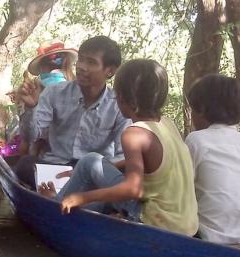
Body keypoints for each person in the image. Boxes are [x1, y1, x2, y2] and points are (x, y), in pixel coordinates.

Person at [41, 59, 198, 236]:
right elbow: (152, 164)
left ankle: (55, 205)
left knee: (89, 161)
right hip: (187, 225)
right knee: (96, 171)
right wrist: (105, 170)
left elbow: (133, 189)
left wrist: (81, 197)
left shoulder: (134, 133)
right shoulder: (167, 124)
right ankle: (64, 202)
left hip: (153, 221)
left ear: (123, 98)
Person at [15, 35, 131, 189]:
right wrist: (30, 108)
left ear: (109, 71)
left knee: (127, 171)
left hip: (92, 173)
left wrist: (86, 171)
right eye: (81, 60)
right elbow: (30, 137)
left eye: (91, 62)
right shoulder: (53, 93)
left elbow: (123, 154)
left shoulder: (118, 104)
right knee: (24, 165)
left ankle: (63, 192)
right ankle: (75, 193)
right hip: (56, 167)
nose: (81, 66)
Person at [185, 74, 240, 244]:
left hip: (207, 237)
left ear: (201, 109)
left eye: (192, 109)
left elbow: (182, 187)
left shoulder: (197, 140)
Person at [7, 41, 77, 157]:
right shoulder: (77, 88)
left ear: (42, 67)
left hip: (44, 154)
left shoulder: (37, 88)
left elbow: (28, 138)